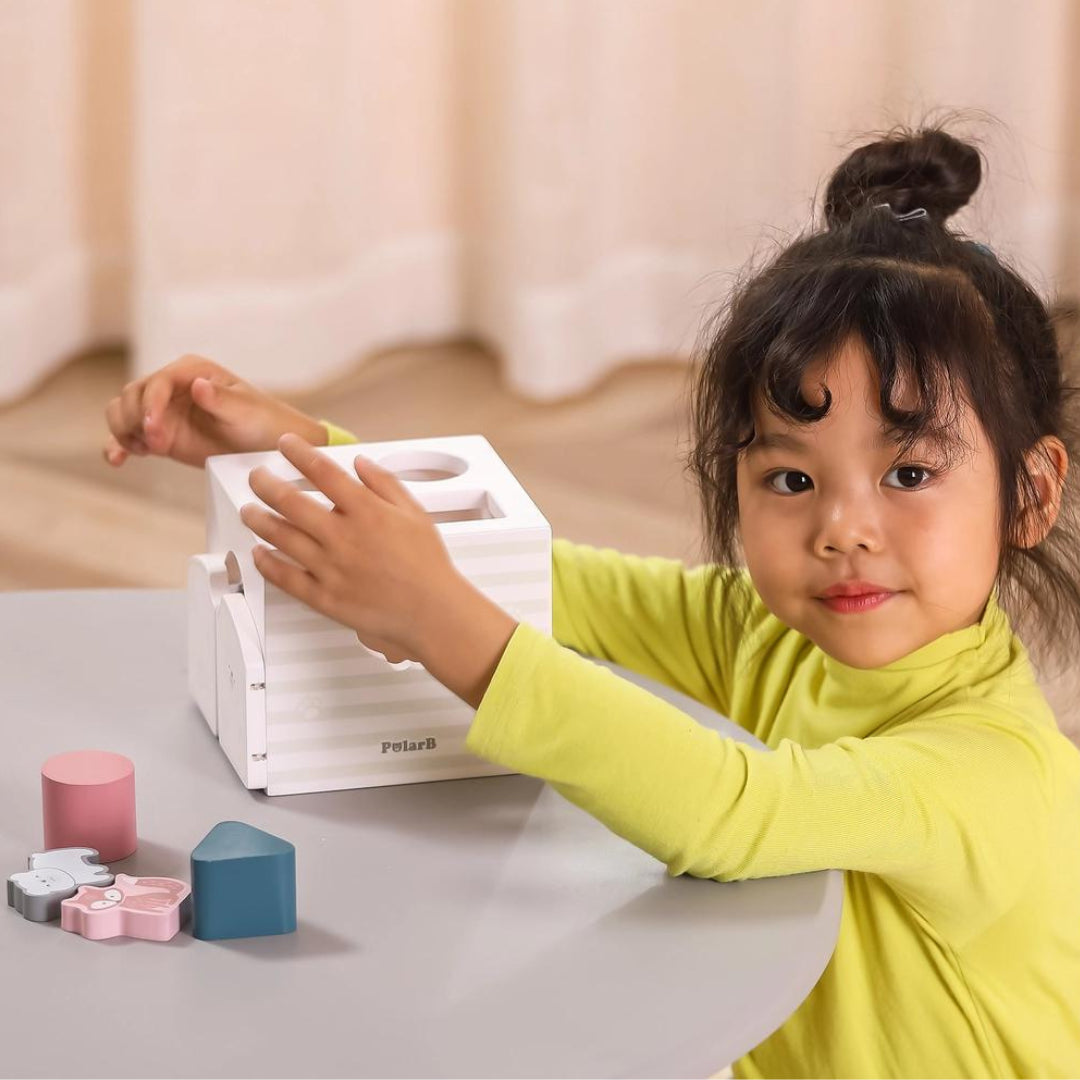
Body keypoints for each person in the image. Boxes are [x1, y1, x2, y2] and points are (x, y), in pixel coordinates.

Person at [103, 126, 1080, 1078]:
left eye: (908, 475)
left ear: (1030, 494)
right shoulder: (773, 632)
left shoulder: (995, 773)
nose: (842, 529)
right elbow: (547, 583)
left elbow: (734, 813)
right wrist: (299, 455)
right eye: (792, 481)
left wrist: (445, 624)